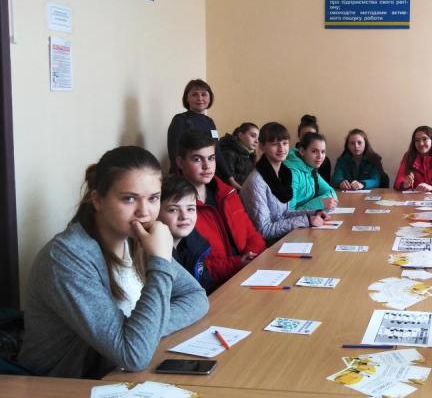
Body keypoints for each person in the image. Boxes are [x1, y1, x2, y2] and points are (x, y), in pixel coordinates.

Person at [18, 146, 208, 378]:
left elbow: (196, 296)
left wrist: (145, 331)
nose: (144, 212)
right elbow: (133, 355)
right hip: (63, 386)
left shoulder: (136, 239)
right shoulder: (67, 258)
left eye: (153, 198)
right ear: (97, 200)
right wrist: (160, 262)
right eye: (129, 199)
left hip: (119, 374)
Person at [176, 129, 266, 285]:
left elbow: (252, 234)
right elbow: (194, 266)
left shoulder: (227, 193)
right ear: (180, 162)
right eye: (197, 159)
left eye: (211, 158)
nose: (207, 166)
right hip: (215, 286)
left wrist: (251, 256)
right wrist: (238, 263)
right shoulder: (177, 208)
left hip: (247, 272)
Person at [241, 122, 329, 245]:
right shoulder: (256, 181)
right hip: (266, 247)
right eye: (275, 144)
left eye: (285, 143)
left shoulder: (284, 173)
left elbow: (283, 214)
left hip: (283, 239)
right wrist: (307, 220)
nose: (281, 149)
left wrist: (313, 213)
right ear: (262, 146)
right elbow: (264, 230)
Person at [166, 79, 236, 187]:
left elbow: (216, 151)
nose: (200, 98)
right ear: (187, 98)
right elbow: (174, 154)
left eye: (204, 94)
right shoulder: (180, 120)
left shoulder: (210, 122)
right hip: (185, 180)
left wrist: (230, 179)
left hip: (207, 177)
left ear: (210, 98)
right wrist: (181, 184)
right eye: (194, 94)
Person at [158, 174, 216, 294]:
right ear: (156, 213)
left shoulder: (195, 243)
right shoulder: (155, 254)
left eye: (190, 209)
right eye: (173, 209)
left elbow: (208, 287)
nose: (184, 216)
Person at [284, 132, 338, 211]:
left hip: (305, 217)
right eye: (314, 151)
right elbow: (288, 213)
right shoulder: (292, 173)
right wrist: (320, 203)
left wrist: (321, 203)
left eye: (323, 152)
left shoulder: (311, 169)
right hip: (294, 218)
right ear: (302, 151)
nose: (320, 156)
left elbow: (330, 192)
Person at [394, 126, 432, 192]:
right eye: (417, 140)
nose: (421, 143)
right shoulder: (408, 156)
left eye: (424, 139)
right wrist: (404, 184)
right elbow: (398, 179)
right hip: (415, 196)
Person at [219, 122, 258, 188]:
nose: (256, 141)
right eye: (253, 136)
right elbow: (229, 182)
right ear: (240, 135)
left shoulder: (250, 155)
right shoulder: (228, 153)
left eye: (258, 138)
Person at [296, 114, 332, 184]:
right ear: (299, 135)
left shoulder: (324, 161)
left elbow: (325, 186)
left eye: (312, 135)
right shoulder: (291, 158)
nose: (308, 138)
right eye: (305, 135)